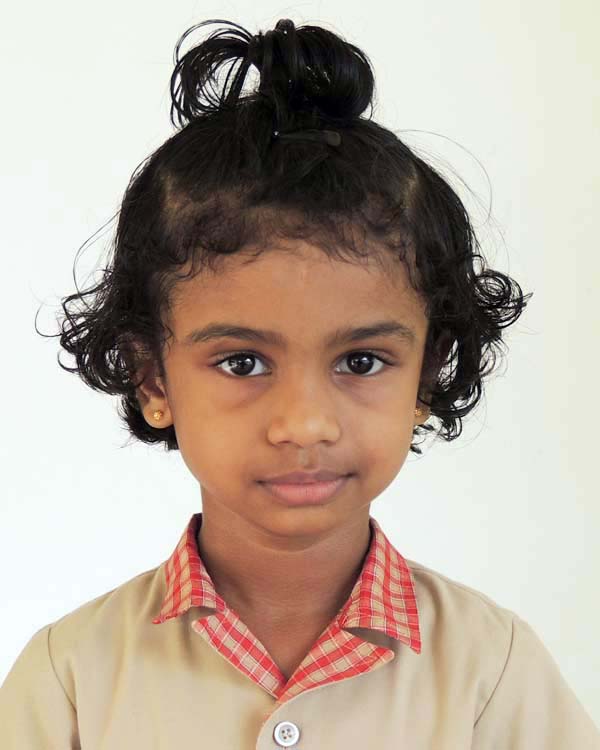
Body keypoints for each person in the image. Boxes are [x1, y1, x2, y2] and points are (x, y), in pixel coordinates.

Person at [1, 16, 598, 749]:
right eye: (242, 362)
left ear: (427, 373)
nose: (306, 423)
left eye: (361, 361)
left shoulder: (494, 674)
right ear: (152, 376)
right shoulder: (67, 681)